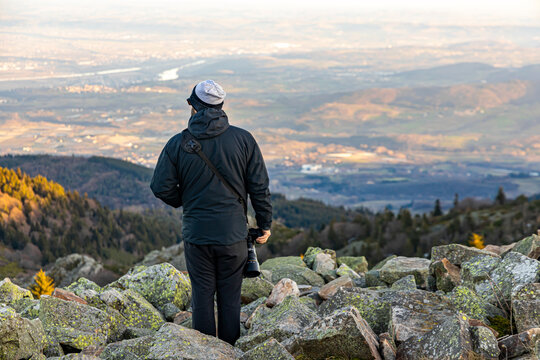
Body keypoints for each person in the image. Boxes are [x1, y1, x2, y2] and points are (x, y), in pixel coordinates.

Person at [150, 79, 272, 345]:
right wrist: (265, 224)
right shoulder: (244, 139)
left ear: (193, 106)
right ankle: (229, 350)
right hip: (233, 235)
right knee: (230, 297)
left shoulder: (178, 143)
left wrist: (187, 200)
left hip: (197, 235)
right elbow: (259, 186)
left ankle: (205, 351)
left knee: (202, 296)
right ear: (221, 106)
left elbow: (160, 187)